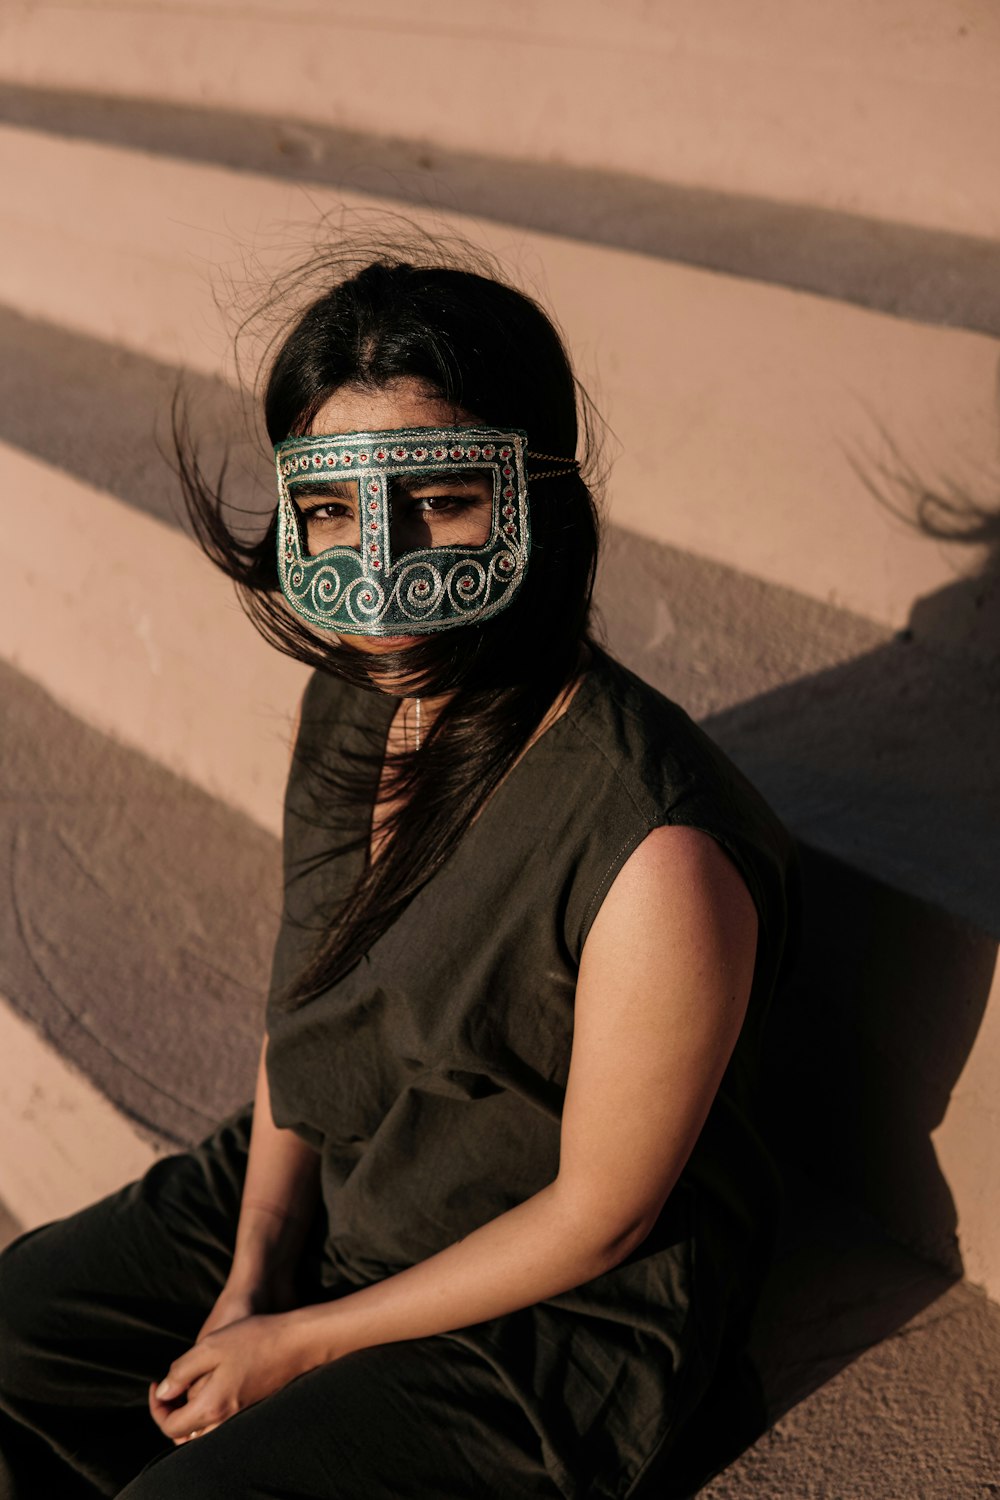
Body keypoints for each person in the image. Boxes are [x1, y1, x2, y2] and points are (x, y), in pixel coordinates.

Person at [0, 253, 799, 1499]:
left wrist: (295, 1343)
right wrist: (257, 1265)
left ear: (532, 498)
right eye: (331, 511)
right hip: (354, 1169)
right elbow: (304, 1018)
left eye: (439, 499)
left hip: (542, 1310)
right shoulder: (355, 703)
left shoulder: (660, 857)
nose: (382, 564)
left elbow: (601, 1218)